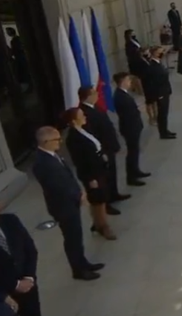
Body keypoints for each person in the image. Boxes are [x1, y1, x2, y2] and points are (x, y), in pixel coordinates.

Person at [31, 127, 104, 281]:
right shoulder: (42, 163)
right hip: (63, 207)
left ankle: (83, 263)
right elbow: (57, 186)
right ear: (46, 142)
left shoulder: (52, 155)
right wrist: (78, 196)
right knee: (72, 239)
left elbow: (68, 177)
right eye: (57, 139)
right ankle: (78, 270)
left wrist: (79, 191)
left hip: (70, 202)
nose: (60, 141)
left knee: (77, 236)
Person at [63, 108, 117, 240]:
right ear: (74, 121)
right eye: (81, 115)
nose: (85, 117)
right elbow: (80, 161)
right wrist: (90, 178)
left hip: (99, 168)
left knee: (99, 198)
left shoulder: (84, 130)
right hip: (92, 174)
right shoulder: (73, 139)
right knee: (98, 200)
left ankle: (97, 223)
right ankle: (103, 226)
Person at [79, 86, 129, 214]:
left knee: (112, 173)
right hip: (103, 149)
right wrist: (102, 151)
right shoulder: (85, 112)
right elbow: (93, 134)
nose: (97, 94)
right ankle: (107, 203)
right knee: (104, 178)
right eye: (94, 93)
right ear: (87, 97)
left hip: (109, 146)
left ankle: (114, 194)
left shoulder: (96, 107)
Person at [112, 73, 150, 186]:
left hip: (133, 126)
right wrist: (137, 110)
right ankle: (131, 177)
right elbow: (127, 114)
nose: (130, 82)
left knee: (135, 151)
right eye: (128, 80)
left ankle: (136, 170)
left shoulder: (124, 93)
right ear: (122, 81)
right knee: (132, 152)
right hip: (129, 128)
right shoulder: (120, 96)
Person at [0, 212, 40, 316]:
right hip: (6, 298)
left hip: (28, 287)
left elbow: (30, 249)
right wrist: (16, 285)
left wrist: (29, 277)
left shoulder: (10, 220)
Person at [143, 46, 176, 139]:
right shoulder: (153, 66)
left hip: (165, 91)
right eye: (160, 52)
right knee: (162, 114)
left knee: (164, 113)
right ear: (155, 53)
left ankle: (165, 130)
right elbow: (154, 82)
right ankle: (163, 133)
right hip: (161, 94)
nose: (162, 53)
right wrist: (159, 95)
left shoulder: (158, 63)